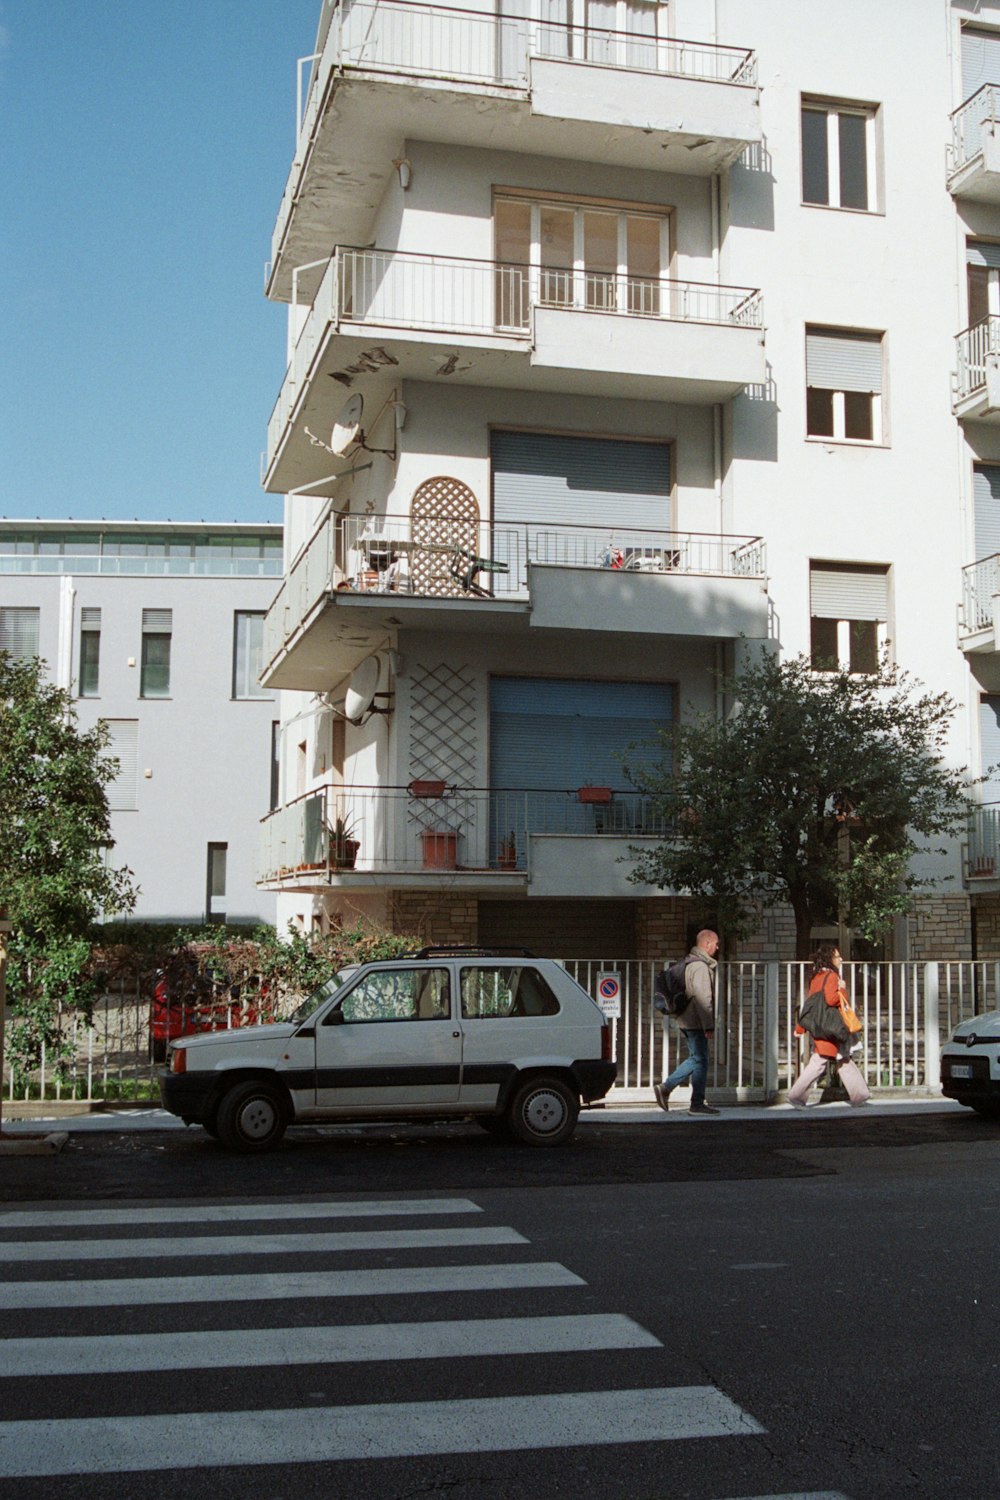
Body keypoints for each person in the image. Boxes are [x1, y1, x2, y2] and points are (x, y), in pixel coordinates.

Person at [788, 943, 870, 1108]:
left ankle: (860, 1096)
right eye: (838, 956)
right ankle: (796, 1096)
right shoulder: (832, 976)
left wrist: (800, 1028)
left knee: (843, 1058)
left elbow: (812, 1004)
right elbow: (831, 999)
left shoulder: (817, 977)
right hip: (832, 1027)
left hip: (821, 1025)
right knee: (820, 1061)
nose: (841, 959)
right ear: (830, 959)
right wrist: (843, 989)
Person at [654, 929, 721, 1116]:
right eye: (716, 943)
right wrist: (708, 1024)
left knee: (699, 1060)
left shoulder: (690, 961)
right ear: (707, 944)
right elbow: (703, 998)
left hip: (687, 1018)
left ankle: (696, 1102)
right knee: (699, 1059)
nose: (717, 947)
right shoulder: (700, 966)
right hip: (695, 1020)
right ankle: (669, 1089)